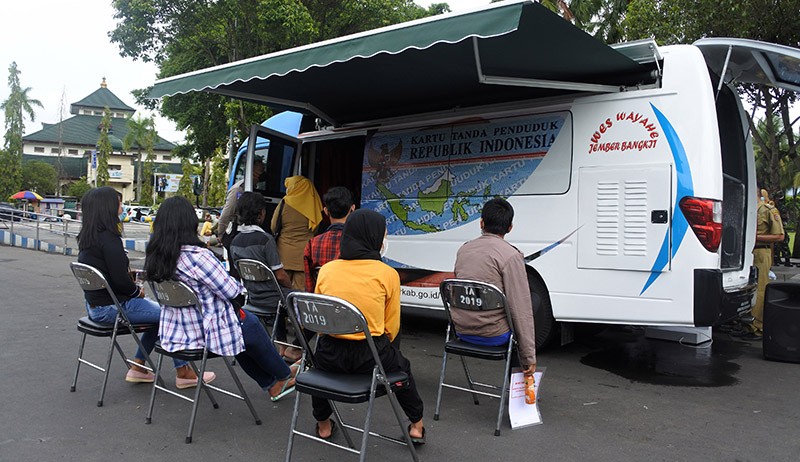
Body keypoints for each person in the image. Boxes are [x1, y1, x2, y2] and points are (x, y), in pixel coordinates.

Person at [144, 196, 300, 400]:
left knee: (242, 328)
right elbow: (231, 290)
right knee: (247, 325)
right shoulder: (197, 256)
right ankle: (283, 375)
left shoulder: (155, 256)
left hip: (174, 332)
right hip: (203, 331)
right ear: (190, 223)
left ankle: (275, 382)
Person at [76, 186, 210, 388]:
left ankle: (138, 367)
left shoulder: (88, 239)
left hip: (95, 307)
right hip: (114, 308)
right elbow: (121, 281)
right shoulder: (109, 240)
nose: (122, 207)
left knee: (159, 317)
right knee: (171, 313)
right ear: (107, 208)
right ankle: (183, 372)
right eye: (119, 203)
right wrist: (136, 291)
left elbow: (108, 275)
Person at [313, 209, 425, 443]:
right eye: (383, 234)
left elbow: (320, 321)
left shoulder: (327, 270)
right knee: (403, 369)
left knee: (318, 366)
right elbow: (391, 327)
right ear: (373, 237)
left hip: (329, 355)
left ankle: (323, 425)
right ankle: (416, 425)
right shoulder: (387, 274)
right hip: (371, 357)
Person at [452, 198, 536, 377]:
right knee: (519, 326)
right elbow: (521, 309)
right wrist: (529, 356)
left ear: (481, 223)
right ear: (510, 227)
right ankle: (519, 393)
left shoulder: (463, 250)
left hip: (461, 330)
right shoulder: (511, 255)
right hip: (493, 335)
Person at [229, 192, 298, 360]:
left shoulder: (234, 242)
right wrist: (293, 289)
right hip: (274, 299)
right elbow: (281, 276)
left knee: (281, 296)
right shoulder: (265, 239)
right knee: (303, 300)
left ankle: (282, 345)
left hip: (252, 298)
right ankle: (296, 348)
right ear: (261, 213)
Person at [740, 188, 785, 341]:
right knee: (746, 288)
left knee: (760, 289)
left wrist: (755, 236)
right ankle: (747, 324)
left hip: (760, 252)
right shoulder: (747, 210)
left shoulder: (768, 210)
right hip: (746, 253)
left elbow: (779, 236)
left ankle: (757, 327)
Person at [271, 176, 323, 290]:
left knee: (283, 290)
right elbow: (315, 230)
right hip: (304, 254)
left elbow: (274, 226)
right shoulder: (313, 204)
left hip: (284, 254)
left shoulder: (284, 203)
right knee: (300, 291)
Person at [303, 186, 355, 292]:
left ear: (326, 211)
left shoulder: (312, 244)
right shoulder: (358, 242)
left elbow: (309, 285)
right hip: (349, 302)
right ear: (352, 208)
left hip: (322, 300)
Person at [217, 159, 266, 250]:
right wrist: (221, 235)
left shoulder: (255, 187)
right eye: (259, 173)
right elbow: (226, 214)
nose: (260, 177)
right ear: (251, 171)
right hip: (236, 233)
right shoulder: (238, 190)